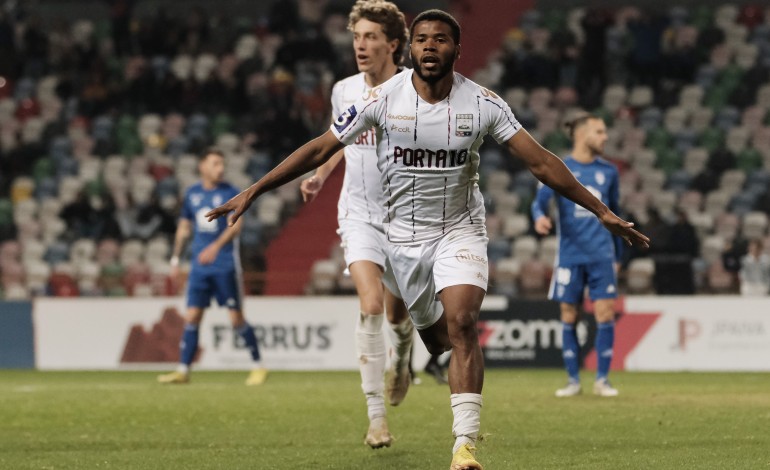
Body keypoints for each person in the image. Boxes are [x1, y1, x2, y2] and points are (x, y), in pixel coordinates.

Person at [206, 10, 649, 470]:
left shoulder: (482, 104)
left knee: (461, 322)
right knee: (437, 339)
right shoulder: (381, 99)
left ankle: (464, 445)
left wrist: (601, 211)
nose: (430, 47)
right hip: (400, 238)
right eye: (421, 40)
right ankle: (411, 356)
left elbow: (540, 162)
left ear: (457, 50)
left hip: (460, 228)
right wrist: (254, 189)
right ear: (410, 49)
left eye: (440, 40)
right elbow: (322, 147)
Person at [299, 0, 415, 449]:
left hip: (406, 219)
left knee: (398, 315)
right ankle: (376, 418)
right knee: (370, 305)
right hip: (359, 214)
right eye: (357, 37)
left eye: (370, 37)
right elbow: (337, 141)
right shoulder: (345, 90)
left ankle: (402, 360)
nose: (361, 45)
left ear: (393, 44)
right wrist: (319, 174)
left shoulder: (414, 90)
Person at [532, 114, 623, 398]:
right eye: (600, 131)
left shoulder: (609, 172)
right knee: (569, 314)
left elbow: (616, 213)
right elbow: (539, 203)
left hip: (602, 254)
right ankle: (573, 380)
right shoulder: (561, 169)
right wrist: (539, 218)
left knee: (605, 312)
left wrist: (618, 256)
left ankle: (602, 381)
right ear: (582, 135)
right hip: (570, 255)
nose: (605, 137)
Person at [157, 149, 267, 386]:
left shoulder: (229, 193)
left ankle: (258, 366)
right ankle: (183, 370)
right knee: (193, 316)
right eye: (216, 163)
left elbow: (236, 226)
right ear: (202, 167)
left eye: (222, 164)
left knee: (236, 319)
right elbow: (184, 227)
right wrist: (176, 259)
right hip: (199, 267)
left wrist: (216, 247)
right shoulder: (192, 193)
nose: (221, 168)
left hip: (225, 265)